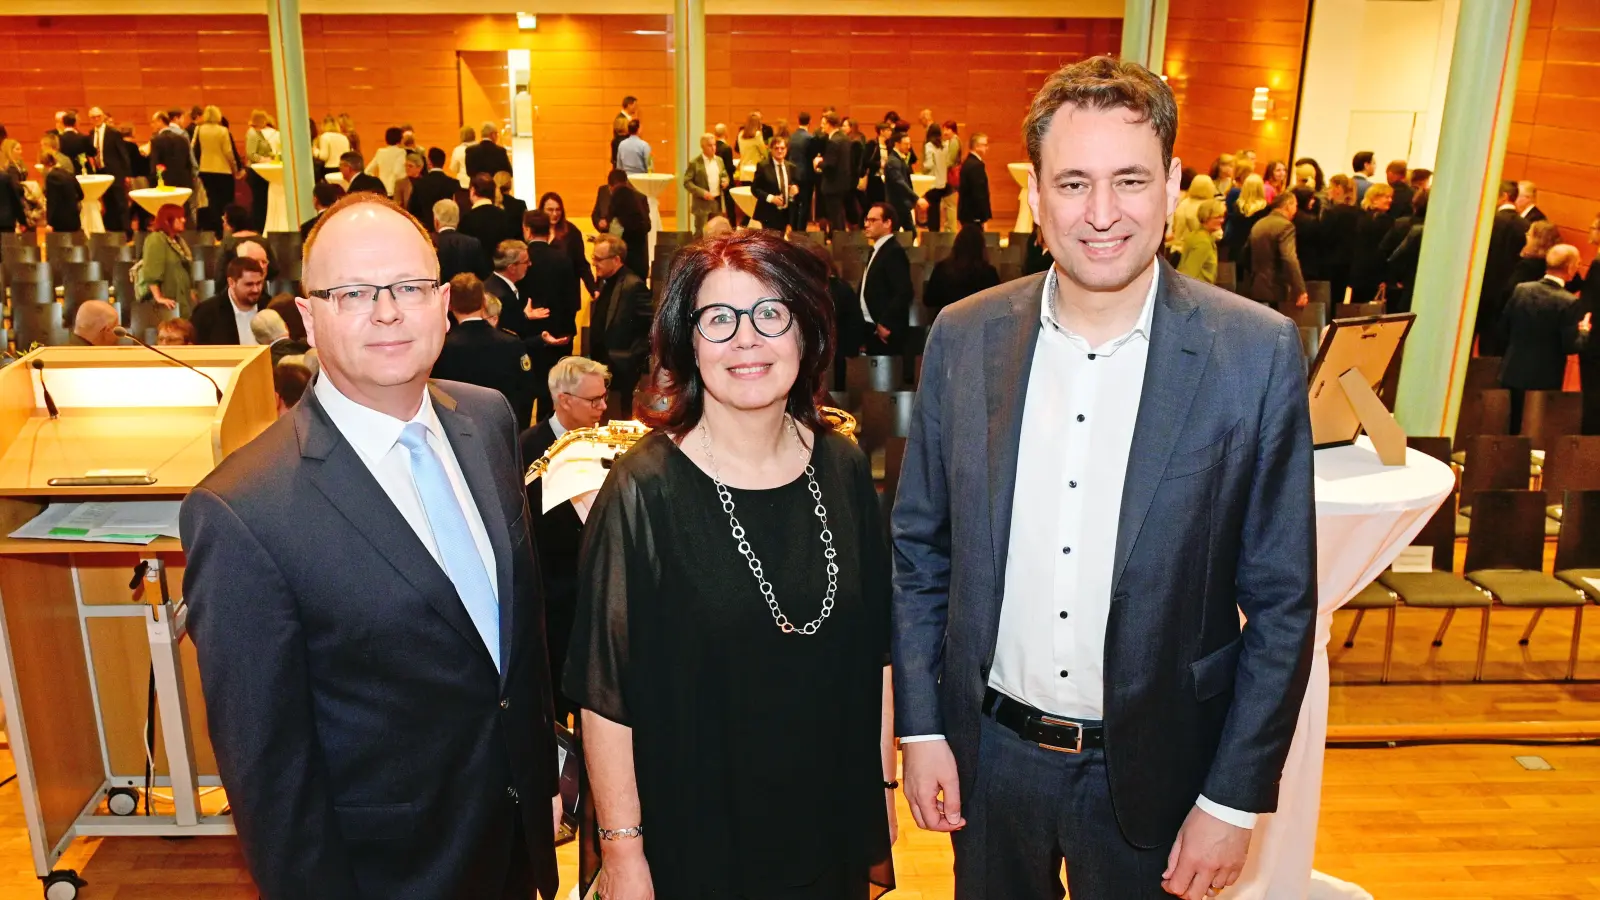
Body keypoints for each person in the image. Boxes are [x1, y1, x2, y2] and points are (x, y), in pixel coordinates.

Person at [892, 56, 1316, 900]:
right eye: (1073, 182)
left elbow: (1281, 602)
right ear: (1036, 197)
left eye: (1129, 179)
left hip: (1160, 769)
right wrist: (921, 727)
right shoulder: (963, 337)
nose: (1101, 214)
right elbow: (918, 550)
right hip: (990, 762)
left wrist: (1232, 799)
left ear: (1172, 185)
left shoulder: (1254, 352)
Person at [180, 191, 562, 900]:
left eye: (410, 288)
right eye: (354, 291)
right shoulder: (242, 512)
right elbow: (269, 778)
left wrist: (540, 775)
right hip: (386, 873)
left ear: (445, 303)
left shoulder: (489, 420)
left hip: (511, 841)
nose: (388, 312)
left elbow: (516, 634)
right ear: (307, 315)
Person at [567, 229, 896, 900]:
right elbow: (604, 695)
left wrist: (881, 785)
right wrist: (622, 852)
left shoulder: (843, 466)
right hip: (696, 836)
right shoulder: (643, 490)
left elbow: (877, 649)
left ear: (806, 332)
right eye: (718, 319)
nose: (746, 339)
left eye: (771, 313)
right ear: (687, 344)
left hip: (824, 823)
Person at [518, 355, 610, 723]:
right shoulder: (526, 448)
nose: (604, 407)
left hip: (599, 599)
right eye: (594, 400)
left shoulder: (609, 445)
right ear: (564, 400)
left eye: (604, 397)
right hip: (552, 602)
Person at [1499, 244, 1591, 433]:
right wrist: (1584, 331)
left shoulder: (1521, 289)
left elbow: (1503, 327)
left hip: (1512, 369)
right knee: (1534, 432)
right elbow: (1570, 346)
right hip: (1544, 379)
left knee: (1508, 428)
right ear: (1571, 267)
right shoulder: (1569, 302)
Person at [431, 272, 537, 427]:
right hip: (502, 426)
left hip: (457, 429)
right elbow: (527, 391)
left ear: (450, 305)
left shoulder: (442, 347)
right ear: (483, 302)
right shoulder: (510, 343)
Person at [521, 211, 581, 417]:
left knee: (527, 391)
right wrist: (567, 332)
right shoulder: (562, 258)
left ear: (527, 230)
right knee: (552, 392)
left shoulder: (522, 258)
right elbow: (572, 298)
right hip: (557, 334)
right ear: (549, 231)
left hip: (527, 335)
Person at [587, 234, 652, 417]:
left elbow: (652, 325)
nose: (594, 263)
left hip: (622, 368)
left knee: (619, 418)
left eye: (599, 259)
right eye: (593, 258)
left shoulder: (633, 285)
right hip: (604, 365)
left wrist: (632, 356)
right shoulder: (604, 280)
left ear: (616, 260)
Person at [1479, 179, 1532, 355]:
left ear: (1503, 196)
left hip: (1480, 290)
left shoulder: (1487, 221)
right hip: (1507, 294)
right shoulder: (1525, 226)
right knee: (1492, 346)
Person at [859, 203, 913, 354]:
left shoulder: (894, 252)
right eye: (866, 220)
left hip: (885, 331)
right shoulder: (877, 250)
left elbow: (904, 292)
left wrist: (885, 323)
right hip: (873, 328)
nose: (866, 224)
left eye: (872, 220)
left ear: (887, 223)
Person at [1246, 190, 1308, 307]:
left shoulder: (1259, 224)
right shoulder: (1286, 226)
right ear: (1288, 205)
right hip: (1276, 288)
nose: (1296, 210)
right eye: (1295, 205)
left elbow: (1245, 255)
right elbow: (1289, 258)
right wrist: (1300, 289)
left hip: (1256, 286)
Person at [925, 222, 1001, 313]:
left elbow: (929, 300)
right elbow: (997, 303)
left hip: (949, 323)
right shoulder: (989, 273)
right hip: (977, 324)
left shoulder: (942, 269)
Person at [192, 257, 267, 345]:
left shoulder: (270, 307)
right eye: (249, 284)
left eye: (259, 283)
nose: (256, 290)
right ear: (231, 282)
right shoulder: (207, 313)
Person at [140, 205, 197, 317]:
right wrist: (159, 297)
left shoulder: (178, 240)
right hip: (169, 300)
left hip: (183, 299)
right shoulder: (156, 239)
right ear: (167, 220)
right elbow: (152, 271)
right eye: (179, 217)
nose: (184, 220)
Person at [592, 170, 650, 280]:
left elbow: (646, 226)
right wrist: (600, 223)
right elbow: (596, 215)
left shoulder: (639, 197)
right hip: (611, 264)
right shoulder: (603, 192)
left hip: (631, 262)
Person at [540, 192, 596, 298]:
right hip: (542, 293)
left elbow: (581, 264)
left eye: (558, 209)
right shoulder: (535, 230)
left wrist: (593, 288)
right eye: (550, 210)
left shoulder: (571, 232)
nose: (555, 214)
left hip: (566, 294)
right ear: (542, 210)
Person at [86, 106, 132, 232]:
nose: (96, 119)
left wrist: (127, 174)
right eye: (93, 117)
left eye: (98, 116)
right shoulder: (90, 134)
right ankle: (112, 230)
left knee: (120, 202)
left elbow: (123, 154)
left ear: (103, 117)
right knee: (108, 202)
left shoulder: (113, 133)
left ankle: (126, 231)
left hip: (115, 172)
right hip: (100, 172)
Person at [194, 106, 238, 234]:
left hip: (205, 169)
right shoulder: (223, 131)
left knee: (211, 200)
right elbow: (228, 152)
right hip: (223, 170)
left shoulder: (199, 129)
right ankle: (225, 228)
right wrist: (234, 168)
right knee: (225, 201)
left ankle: (214, 229)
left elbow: (194, 148)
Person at [1348, 182, 1394, 304]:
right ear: (1374, 198)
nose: (1390, 200)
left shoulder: (1359, 217)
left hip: (1357, 273)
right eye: (1386, 196)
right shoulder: (1385, 222)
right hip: (1375, 275)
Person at [1320, 174, 1360, 304]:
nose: (1328, 191)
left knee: (1326, 301)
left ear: (1337, 188)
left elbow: (1324, 236)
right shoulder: (1358, 213)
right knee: (1338, 300)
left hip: (1329, 262)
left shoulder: (1331, 213)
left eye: (1330, 187)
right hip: (1347, 262)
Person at [751, 135, 801, 233]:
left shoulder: (791, 167)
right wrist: (771, 198)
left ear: (786, 150)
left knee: (781, 243)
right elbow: (755, 189)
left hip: (785, 214)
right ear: (771, 150)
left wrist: (795, 190)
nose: (779, 151)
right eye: (776, 148)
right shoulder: (763, 166)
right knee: (770, 244)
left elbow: (793, 186)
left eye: (782, 148)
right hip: (768, 214)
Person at [462, 174, 519, 258]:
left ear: (473, 190)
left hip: (476, 269)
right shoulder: (505, 216)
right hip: (500, 266)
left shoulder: (467, 219)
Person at [435, 198, 489, 284]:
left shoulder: (431, 243)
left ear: (436, 222)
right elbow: (483, 275)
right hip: (468, 295)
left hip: (440, 294)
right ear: (458, 220)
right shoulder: (473, 243)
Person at [683, 132, 729, 235]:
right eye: (710, 145)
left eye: (714, 145)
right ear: (703, 146)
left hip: (716, 203)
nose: (713, 148)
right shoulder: (695, 163)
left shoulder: (719, 160)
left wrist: (725, 180)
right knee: (701, 234)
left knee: (717, 234)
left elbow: (724, 174)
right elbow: (687, 182)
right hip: (702, 205)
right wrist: (702, 193)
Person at [817, 114, 854, 234]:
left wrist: (818, 163)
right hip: (843, 183)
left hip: (832, 184)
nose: (821, 126)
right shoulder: (844, 138)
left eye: (823, 123)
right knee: (839, 214)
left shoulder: (833, 141)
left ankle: (837, 241)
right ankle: (840, 239)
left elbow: (830, 165)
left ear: (829, 124)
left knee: (835, 216)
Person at [1176, 198, 1225, 285]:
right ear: (1206, 218)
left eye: (1222, 216)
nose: (1222, 220)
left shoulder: (1196, 234)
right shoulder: (1203, 242)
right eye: (1218, 217)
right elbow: (1189, 273)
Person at [1167, 174, 1216, 257]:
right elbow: (1216, 234)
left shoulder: (1183, 203)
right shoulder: (1208, 207)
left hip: (1176, 250)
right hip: (1194, 252)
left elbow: (1175, 228)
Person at [409, 147, 459, 228]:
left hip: (425, 228)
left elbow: (413, 209)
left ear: (429, 162)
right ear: (443, 162)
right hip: (447, 227)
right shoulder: (453, 183)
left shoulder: (420, 183)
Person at [885, 131, 921, 233]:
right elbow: (899, 182)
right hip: (897, 204)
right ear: (897, 144)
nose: (908, 147)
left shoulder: (898, 159)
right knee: (900, 233)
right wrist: (916, 198)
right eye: (906, 144)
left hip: (902, 204)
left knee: (910, 232)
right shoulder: (893, 161)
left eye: (909, 144)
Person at [43, 149, 83, 233]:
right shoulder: (68, 173)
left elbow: (52, 201)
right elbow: (81, 194)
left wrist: (49, 222)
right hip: (74, 217)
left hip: (60, 221)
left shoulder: (51, 177)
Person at [957, 132, 991, 227]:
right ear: (976, 146)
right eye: (985, 145)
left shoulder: (968, 162)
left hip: (967, 214)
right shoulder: (976, 165)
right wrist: (983, 217)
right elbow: (979, 193)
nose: (987, 148)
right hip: (974, 215)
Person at [313, 116, 351, 184]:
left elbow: (324, 156)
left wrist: (315, 151)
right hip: (342, 168)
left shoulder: (325, 137)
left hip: (329, 169)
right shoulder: (344, 137)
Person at [391, 151, 424, 215]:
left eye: (410, 166)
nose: (407, 168)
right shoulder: (400, 183)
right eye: (406, 165)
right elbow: (397, 204)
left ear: (419, 168)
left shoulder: (425, 182)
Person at [611, 96, 638, 166]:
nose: (636, 108)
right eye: (634, 105)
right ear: (629, 105)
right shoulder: (620, 119)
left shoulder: (629, 118)